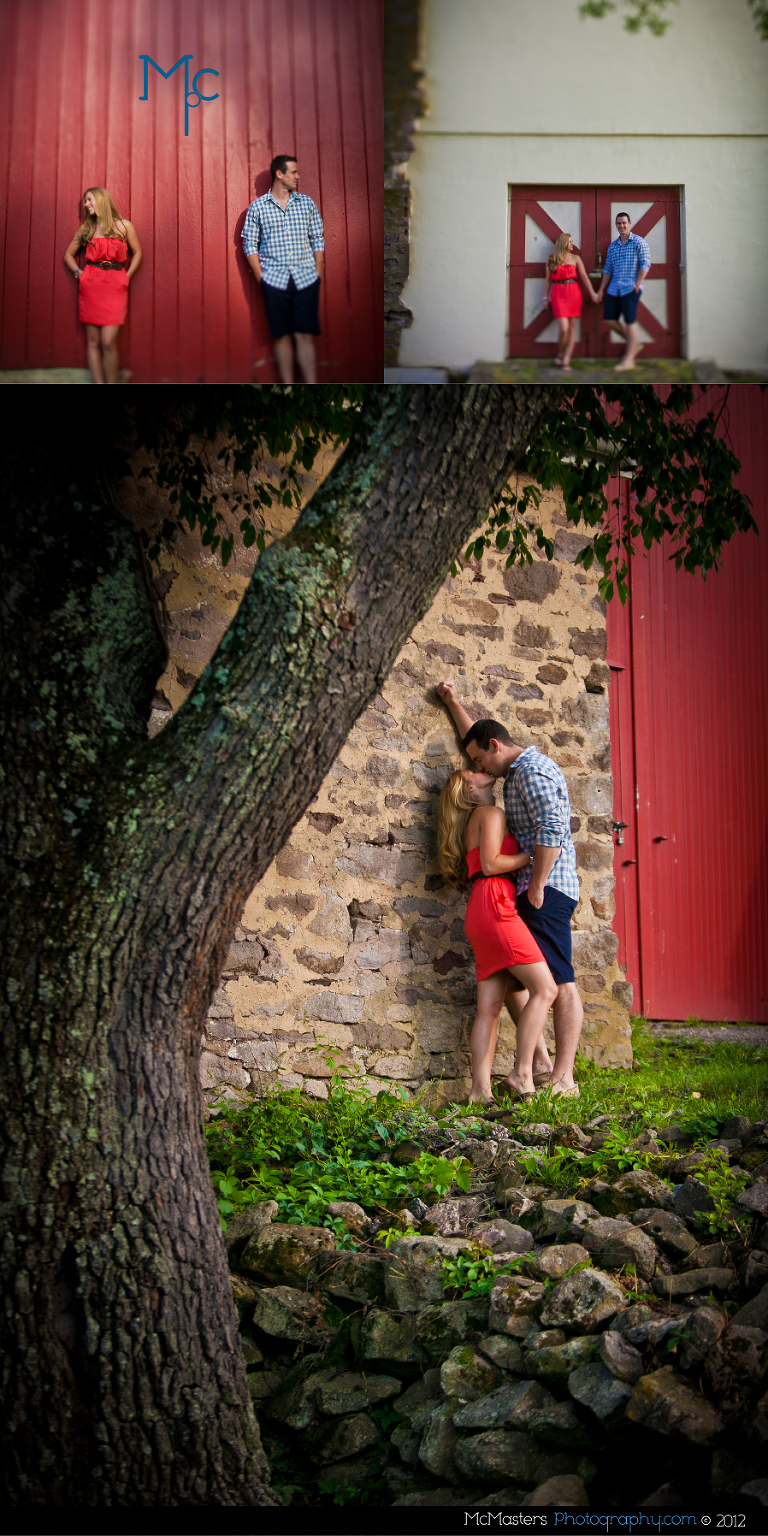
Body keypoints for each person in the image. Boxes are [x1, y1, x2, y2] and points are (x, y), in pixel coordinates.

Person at [438, 683, 583, 1099]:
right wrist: (454, 704)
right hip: (505, 897)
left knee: (549, 984)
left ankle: (552, 1076)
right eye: (475, 766)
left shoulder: (528, 772)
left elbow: (552, 829)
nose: (479, 765)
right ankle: (538, 1069)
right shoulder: (495, 800)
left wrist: (536, 884)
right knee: (534, 987)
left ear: (495, 748)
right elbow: (479, 740)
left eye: (480, 760)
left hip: (537, 891)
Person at [438, 769, 558, 1104]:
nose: (481, 769)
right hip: (495, 902)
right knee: (545, 989)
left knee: (489, 1008)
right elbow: (491, 864)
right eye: (473, 770)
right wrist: (533, 855)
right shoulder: (490, 813)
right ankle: (524, 1073)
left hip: (482, 906)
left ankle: (480, 1091)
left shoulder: (478, 818)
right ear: (471, 788)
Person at [242, 155, 324, 384]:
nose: (298, 176)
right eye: (294, 172)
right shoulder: (258, 208)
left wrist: (318, 272)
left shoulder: (306, 203)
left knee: (304, 335)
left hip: (306, 278)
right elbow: (249, 244)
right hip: (274, 281)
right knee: (281, 336)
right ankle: (288, 387)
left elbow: (317, 237)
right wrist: (261, 278)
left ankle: (310, 386)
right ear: (279, 174)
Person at [63, 188, 142, 384]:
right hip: (91, 284)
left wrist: (126, 277)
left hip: (116, 284)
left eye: (89, 200)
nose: (86, 204)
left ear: (101, 200)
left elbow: (138, 253)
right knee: (93, 342)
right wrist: (80, 275)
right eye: (85, 201)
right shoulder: (86, 229)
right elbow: (68, 255)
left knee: (108, 342)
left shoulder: (124, 226)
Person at [594, 212, 651, 374]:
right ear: (616, 225)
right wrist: (601, 290)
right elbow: (607, 269)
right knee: (609, 320)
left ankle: (629, 360)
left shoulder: (639, 242)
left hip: (631, 288)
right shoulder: (613, 247)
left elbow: (645, 264)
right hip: (614, 288)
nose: (621, 226)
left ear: (630, 224)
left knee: (629, 322)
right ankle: (634, 344)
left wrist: (638, 282)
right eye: (619, 223)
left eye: (624, 223)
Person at [543, 232, 599, 372]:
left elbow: (584, 276)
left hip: (573, 293)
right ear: (563, 243)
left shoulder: (576, 258)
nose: (572, 244)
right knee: (564, 328)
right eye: (570, 242)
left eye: (572, 241)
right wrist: (545, 298)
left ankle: (566, 358)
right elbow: (548, 280)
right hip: (557, 293)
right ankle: (561, 353)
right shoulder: (551, 259)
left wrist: (592, 293)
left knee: (572, 328)